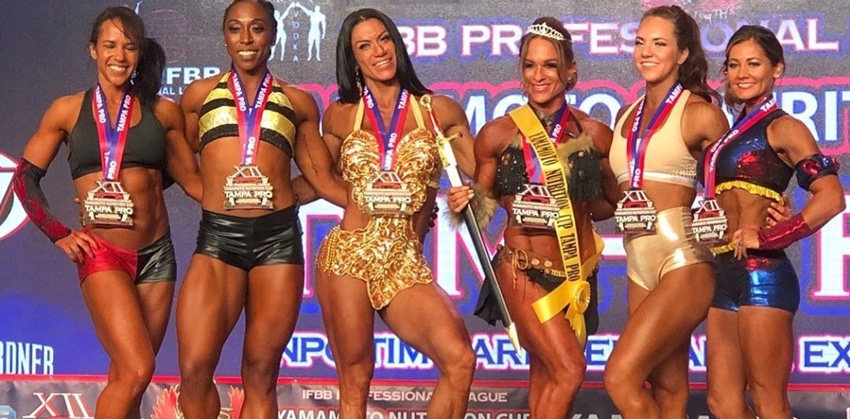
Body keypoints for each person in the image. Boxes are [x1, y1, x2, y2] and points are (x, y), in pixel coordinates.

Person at [12, 6, 201, 418]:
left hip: (158, 256)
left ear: (139, 53)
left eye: (129, 47)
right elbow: (24, 180)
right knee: (137, 368)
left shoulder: (163, 112)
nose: (119, 55)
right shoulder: (66, 111)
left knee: (128, 377)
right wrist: (59, 232)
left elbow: (190, 181)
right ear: (93, 50)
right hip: (102, 255)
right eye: (110, 45)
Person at [175, 0, 346, 417]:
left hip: (277, 242)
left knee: (260, 370)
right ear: (225, 36)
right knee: (195, 367)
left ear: (272, 35)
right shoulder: (199, 96)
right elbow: (176, 156)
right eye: (235, 29)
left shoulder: (298, 102)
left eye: (257, 28)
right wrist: (206, 192)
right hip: (219, 238)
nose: (246, 39)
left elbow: (320, 177)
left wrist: (373, 206)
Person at [446, 17, 619, 416]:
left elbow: (610, 204)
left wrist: (579, 208)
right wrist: (464, 201)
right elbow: (483, 203)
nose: (538, 75)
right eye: (530, 65)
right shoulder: (498, 133)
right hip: (522, 271)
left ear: (570, 70)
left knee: (547, 376)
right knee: (569, 370)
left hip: (575, 275)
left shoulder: (595, 134)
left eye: (549, 65)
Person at [314, 8, 476, 418]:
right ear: (354, 60)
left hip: (404, 260)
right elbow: (316, 178)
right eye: (365, 46)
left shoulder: (439, 111)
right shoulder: (340, 115)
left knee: (459, 361)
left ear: (397, 44)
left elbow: (483, 174)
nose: (379, 51)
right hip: (348, 256)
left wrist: (472, 195)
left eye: (384, 39)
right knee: (355, 380)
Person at [704, 25, 844, 419]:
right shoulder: (730, 130)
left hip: (763, 276)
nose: (742, 73)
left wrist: (771, 236)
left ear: (776, 69)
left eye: (753, 64)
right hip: (724, 272)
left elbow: (831, 197)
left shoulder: (785, 126)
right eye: (733, 65)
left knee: (769, 403)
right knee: (723, 404)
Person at [601, 6, 730, 418]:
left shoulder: (700, 113)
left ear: (682, 54)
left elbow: (740, 179)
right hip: (637, 259)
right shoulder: (625, 115)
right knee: (667, 388)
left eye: (659, 43)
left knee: (620, 377)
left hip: (684, 258)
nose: (646, 52)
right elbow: (611, 198)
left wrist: (771, 204)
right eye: (641, 42)